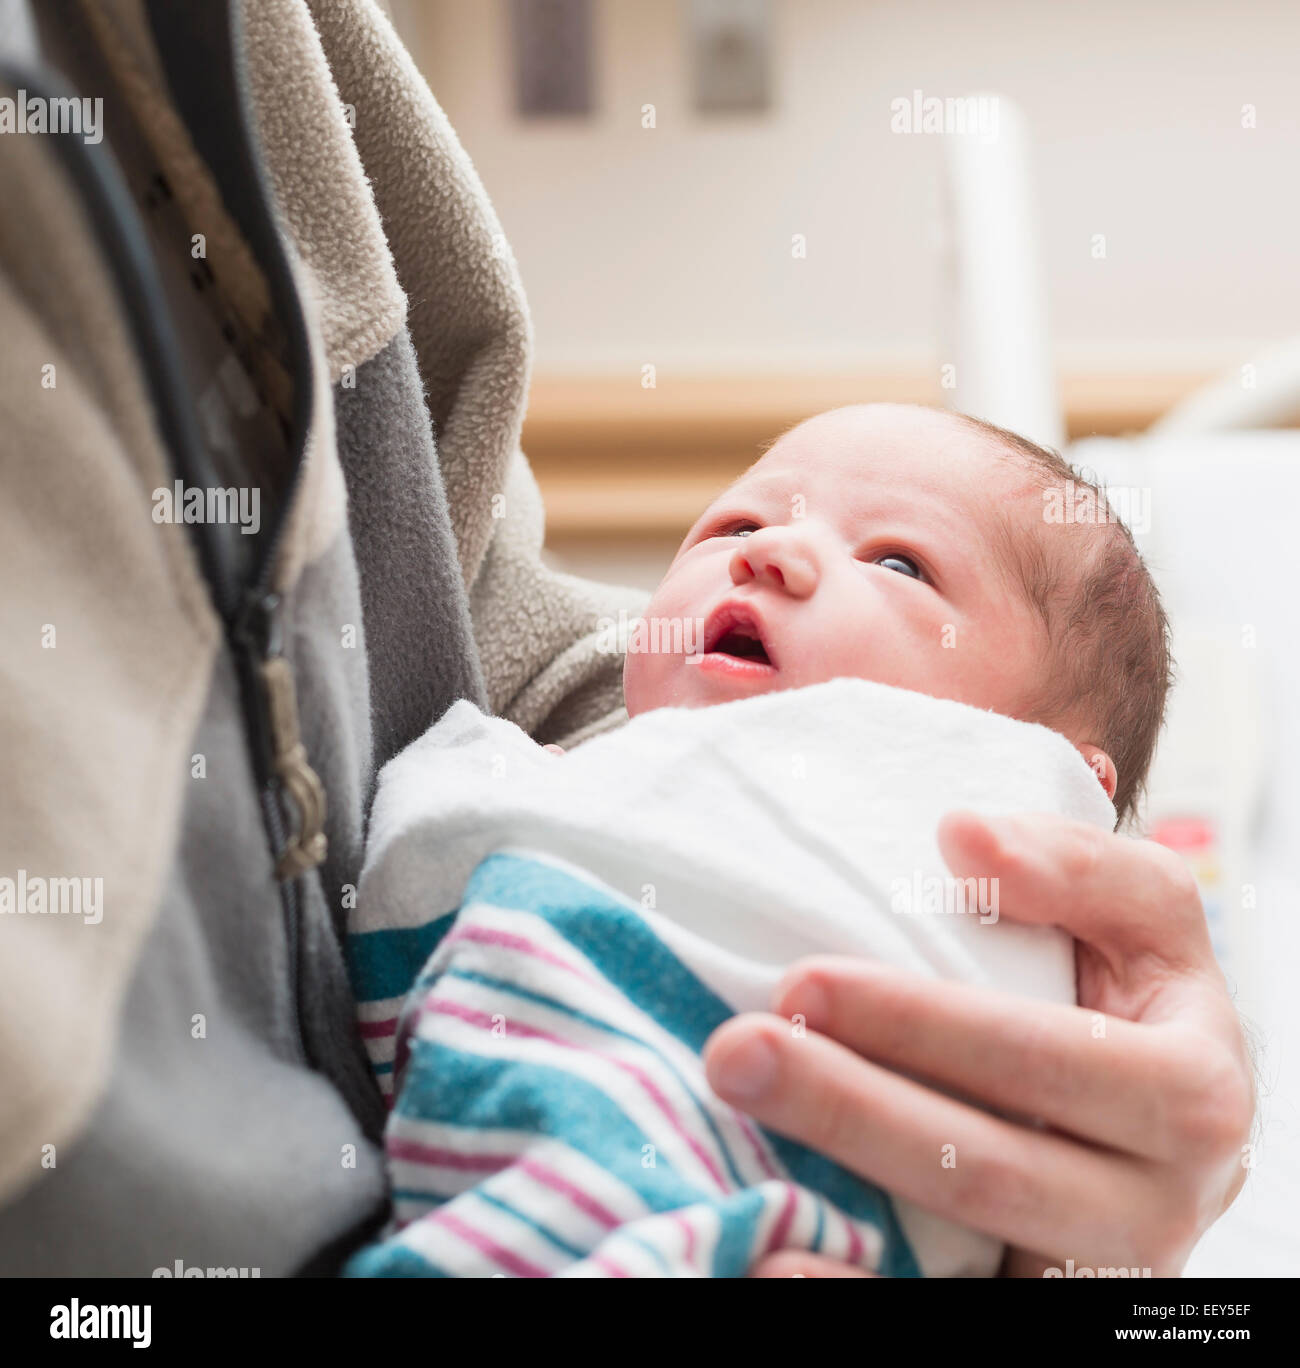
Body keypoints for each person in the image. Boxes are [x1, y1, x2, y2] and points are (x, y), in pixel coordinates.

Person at [0, 0, 1252, 1278]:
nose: (770, 548)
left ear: (1060, 771)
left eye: (895, 560)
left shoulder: (296, 60)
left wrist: (1099, 1134)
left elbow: (489, 619)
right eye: (738, 519)